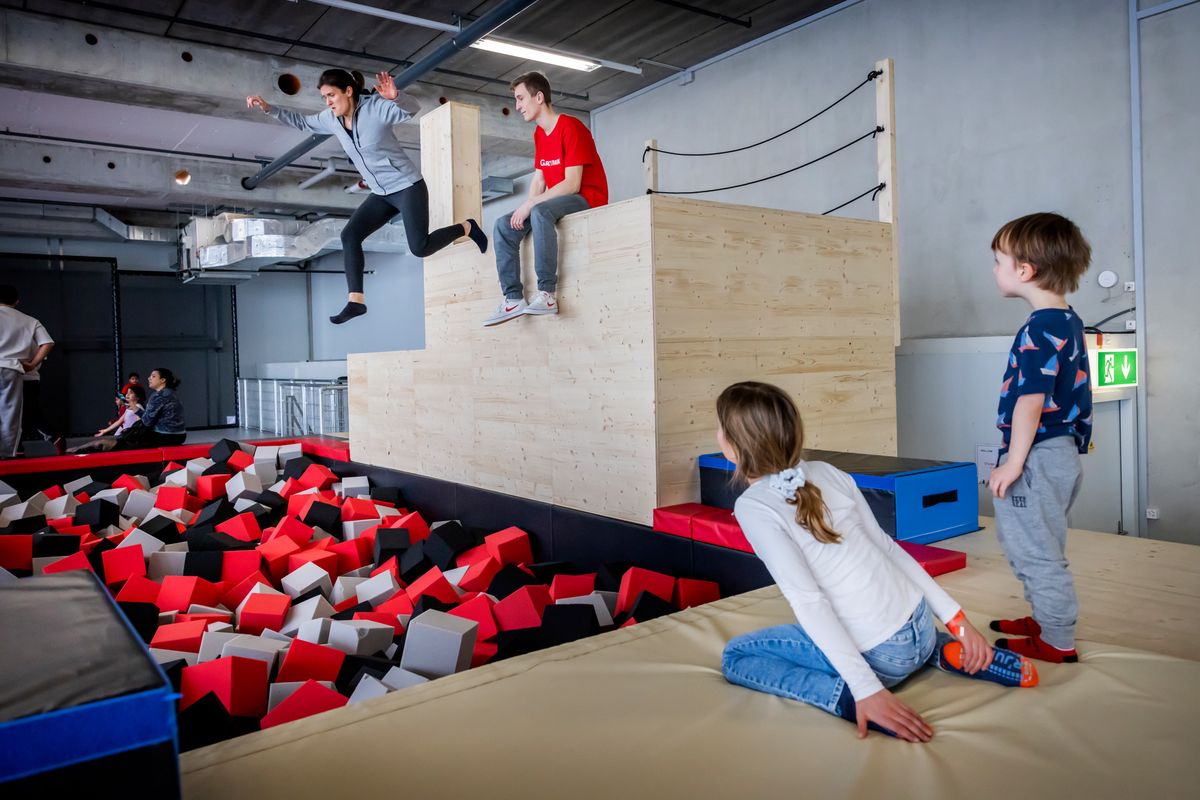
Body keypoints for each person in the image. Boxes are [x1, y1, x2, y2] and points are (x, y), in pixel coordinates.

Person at [716, 381, 1037, 743]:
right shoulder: (827, 471)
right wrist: (958, 622)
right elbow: (889, 548)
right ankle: (942, 651)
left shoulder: (753, 506)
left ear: (734, 445)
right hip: (922, 625)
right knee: (876, 616)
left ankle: (850, 700)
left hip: (885, 659)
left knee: (737, 657)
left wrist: (866, 688)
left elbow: (809, 601)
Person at [248, 69, 488, 325]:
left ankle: (467, 227)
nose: (328, 102)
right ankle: (356, 302)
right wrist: (268, 108)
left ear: (348, 91)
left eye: (331, 95)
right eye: (324, 97)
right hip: (381, 193)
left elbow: (410, 109)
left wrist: (396, 97)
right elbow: (304, 122)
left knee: (420, 247)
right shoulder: (331, 119)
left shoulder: (375, 109)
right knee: (349, 235)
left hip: (407, 186)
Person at [986, 213, 1093, 663]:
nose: (995, 270)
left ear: (1024, 270)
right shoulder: (1066, 319)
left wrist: (1013, 462)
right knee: (1043, 542)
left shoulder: (1039, 327)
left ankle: (1057, 639)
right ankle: (1045, 618)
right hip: (1060, 452)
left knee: (1035, 552)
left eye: (998, 261)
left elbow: (1032, 400)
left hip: (1037, 456)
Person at [483, 71, 608, 326]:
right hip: (556, 199)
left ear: (539, 97)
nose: (517, 106)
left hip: (587, 196)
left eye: (520, 98)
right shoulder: (540, 134)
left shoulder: (571, 126)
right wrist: (524, 207)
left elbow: (573, 183)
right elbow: (539, 180)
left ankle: (547, 295)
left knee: (540, 211)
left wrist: (532, 205)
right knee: (503, 225)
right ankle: (513, 299)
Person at [0, 285, 54, 458]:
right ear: (17, 301)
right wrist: (32, 364)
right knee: (10, 414)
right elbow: (48, 343)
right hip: (12, 368)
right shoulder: (29, 320)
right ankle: (7, 454)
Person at [114, 367, 186, 448]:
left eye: (153, 376)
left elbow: (147, 422)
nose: (149, 378)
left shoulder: (159, 395)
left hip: (166, 436)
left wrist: (134, 407)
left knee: (125, 440)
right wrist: (134, 406)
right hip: (180, 435)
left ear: (163, 380)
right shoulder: (171, 392)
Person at [68, 384, 146, 454]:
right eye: (127, 392)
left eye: (131, 392)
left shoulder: (138, 408)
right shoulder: (130, 408)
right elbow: (119, 421)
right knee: (99, 443)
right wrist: (105, 430)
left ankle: (77, 449)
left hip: (127, 439)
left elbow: (139, 426)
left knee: (100, 444)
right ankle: (77, 449)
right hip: (124, 436)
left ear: (138, 397)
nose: (127, 394)